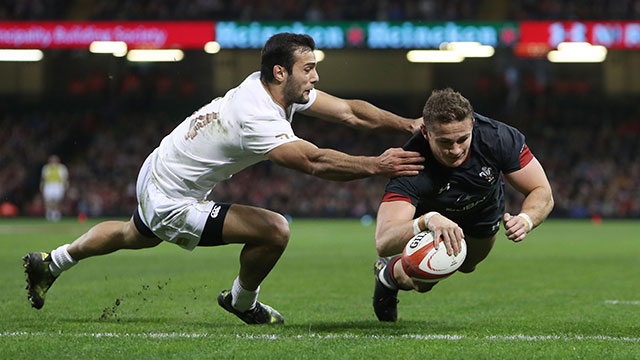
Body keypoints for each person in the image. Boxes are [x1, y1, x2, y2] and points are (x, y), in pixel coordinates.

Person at [23, 33, 425, 325]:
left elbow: (351, 113)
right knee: (275, 230)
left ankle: (52, 262)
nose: (316, 77)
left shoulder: (272, 87)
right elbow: (313, 162)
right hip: (172, 198)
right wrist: (376, 164)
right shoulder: (256, 114)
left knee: (133, 234)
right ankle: (242, 301)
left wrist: (405, 122)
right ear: (281, 71)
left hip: (161, 168)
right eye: (310, 69)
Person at [372, 88, 554, 322]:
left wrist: (526, 219)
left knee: (468, 265)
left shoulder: (498, 138)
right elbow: (384, 240)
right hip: (433, 222)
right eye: (445, 142)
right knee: (422, 282)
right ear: (426, 133)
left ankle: (398, 271)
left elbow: (542, 191)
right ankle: (388, 276)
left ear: (473, 126)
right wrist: (427, 220)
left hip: (482, 214)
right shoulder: (410, 164)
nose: (456, 150)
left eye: (462, 139)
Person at [40, 155, 69, 222]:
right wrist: (42, 185)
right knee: (48, 200)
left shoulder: (62, 167)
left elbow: (65, 177)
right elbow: (43, 178)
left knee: (57, 200)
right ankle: (49, 213)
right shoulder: (46, 168)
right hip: (49, 185)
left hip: (58, 185)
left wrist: (65, 185)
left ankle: (56, 213)